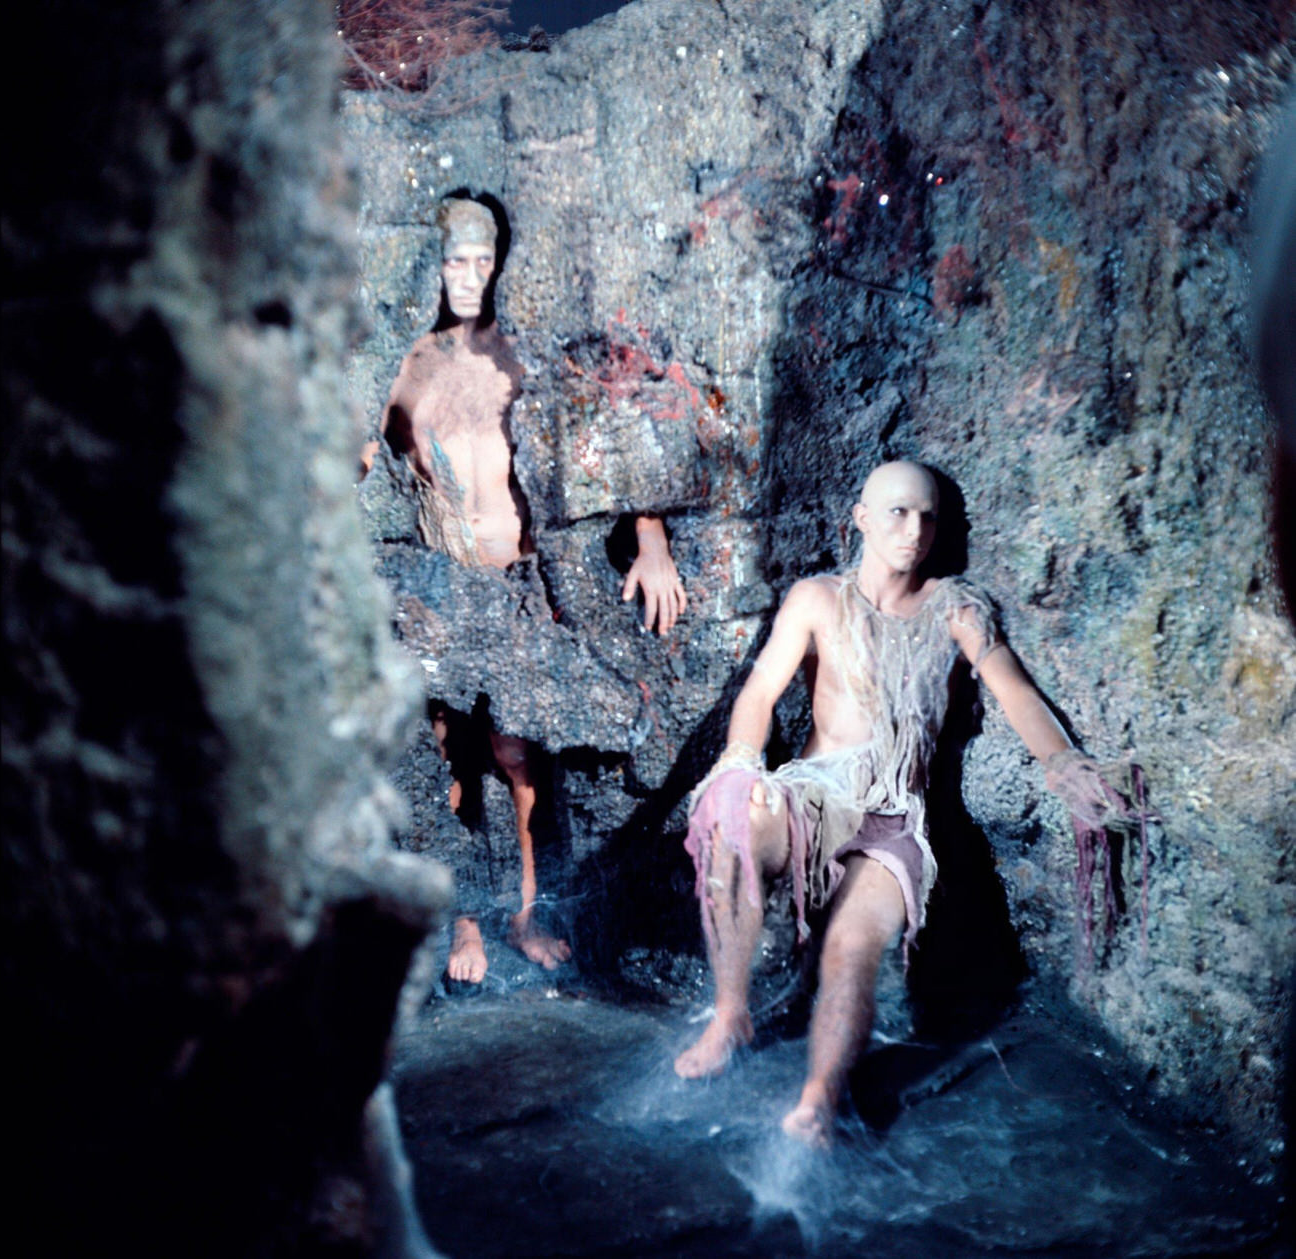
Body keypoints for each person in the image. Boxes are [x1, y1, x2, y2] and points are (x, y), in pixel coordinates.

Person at [673, 460, 1129, 1147]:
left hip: (894, 815)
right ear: (859, 518)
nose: (914, 530)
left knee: (853, 946)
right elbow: (760, 692)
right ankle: (730, 1013)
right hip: (818, 792)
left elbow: (1013, 689)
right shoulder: (817, 599)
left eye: (927, 516)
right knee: (734, 821)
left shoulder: (955, 607)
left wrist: (1062, 761)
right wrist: (742, 762)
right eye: (896, 512)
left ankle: (821, 1097)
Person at [378, 195, 687, 984]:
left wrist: (650, 538)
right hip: (440, 584)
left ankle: (518, 915)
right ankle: (462, 926)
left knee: (518, 758)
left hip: (514, 582)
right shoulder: (404, 365)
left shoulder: (521, 358)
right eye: (456, 260)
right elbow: (350, 453)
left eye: (484, 260)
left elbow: (603, 434)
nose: (470, 276)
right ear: (432, 263)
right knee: (443, 756)